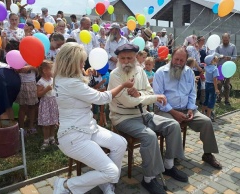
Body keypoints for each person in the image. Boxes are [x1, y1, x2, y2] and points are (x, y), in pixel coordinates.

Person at [53, 42, 134, 194]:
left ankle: (106, 182)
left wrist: (84, 73)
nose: (84, 64)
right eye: (81, 62)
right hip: (74, 136)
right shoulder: (71, 83)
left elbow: (78, 89)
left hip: (88, 128)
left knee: (120, 143)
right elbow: (102, 98)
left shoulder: (61, 78)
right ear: (72, 63)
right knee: (112, 171)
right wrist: (123, 85)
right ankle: (66, 185)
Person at [108, 43, 188, 194]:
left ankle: (169, 165)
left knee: (173, 125)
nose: (126, 61)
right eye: (123, 58)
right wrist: (152, 98)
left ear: (135, 58)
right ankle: (149, 179)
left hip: (143, 114)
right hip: (123, 118)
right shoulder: (115, 76)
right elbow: (127, 102)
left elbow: (148, 91)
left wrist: (139, 94)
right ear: (118, 58)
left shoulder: (140, 71)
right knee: (150, 136)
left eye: (129, 58)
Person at [153, 46, 222, 170]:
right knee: (173, 124)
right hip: (165, 110)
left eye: (181, 61)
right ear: (171, 57)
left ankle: (208, 154)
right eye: (176, 59)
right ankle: (173, 158)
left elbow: (192, 93)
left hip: (186, 109)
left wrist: (190, 109)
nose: (178, 63)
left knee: (206, 122)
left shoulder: (189, 72)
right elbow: (158, 98)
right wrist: (173, 112)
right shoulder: (161, 72)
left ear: (186, 60)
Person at [37, 60, 59, 150]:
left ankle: (52, 138)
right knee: (46, 124)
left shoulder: (53, 80)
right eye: (52, 69)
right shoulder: (41, 82)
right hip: (46, 103)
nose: (53, 71)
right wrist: (46, 89)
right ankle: (46, 140)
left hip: (53, 103)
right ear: (45, 70)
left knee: (53, 123)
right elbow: (38, 94)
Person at [16, 62, 38, 135]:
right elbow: (14, 69)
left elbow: (38, 70)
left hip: (32, 83)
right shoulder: (18, 57)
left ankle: (31, 126)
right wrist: (20, 69)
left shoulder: (33, 58)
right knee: (23, 107)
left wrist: (31, 67)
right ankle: (21, 128)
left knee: (33, 106)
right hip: (22, 83)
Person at [215, 33, 237, 106]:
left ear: (229, 39)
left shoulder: (233, 46)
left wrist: (230, 58)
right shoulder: (219, 47)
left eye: (226, 40)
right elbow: (215, 54)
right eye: (224, 40)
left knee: (227, 85)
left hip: (228, 68)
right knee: (219, 84)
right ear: (222, 39)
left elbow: (235, 57)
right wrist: (220, 56)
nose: (225, 41)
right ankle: (219, 98)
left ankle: (227, 100)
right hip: (220, 67)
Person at [201, 53, 219, 121]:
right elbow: (214, 79)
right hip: (212, 85)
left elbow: (203, 73)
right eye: (214, 58)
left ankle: (202, 113)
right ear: (212, 61)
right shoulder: (215, 69)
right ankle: (208, 117)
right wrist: (216, 89)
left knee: (206, 99)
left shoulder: (206, 67)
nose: (215, 59)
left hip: (207, 84)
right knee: (211, 101)